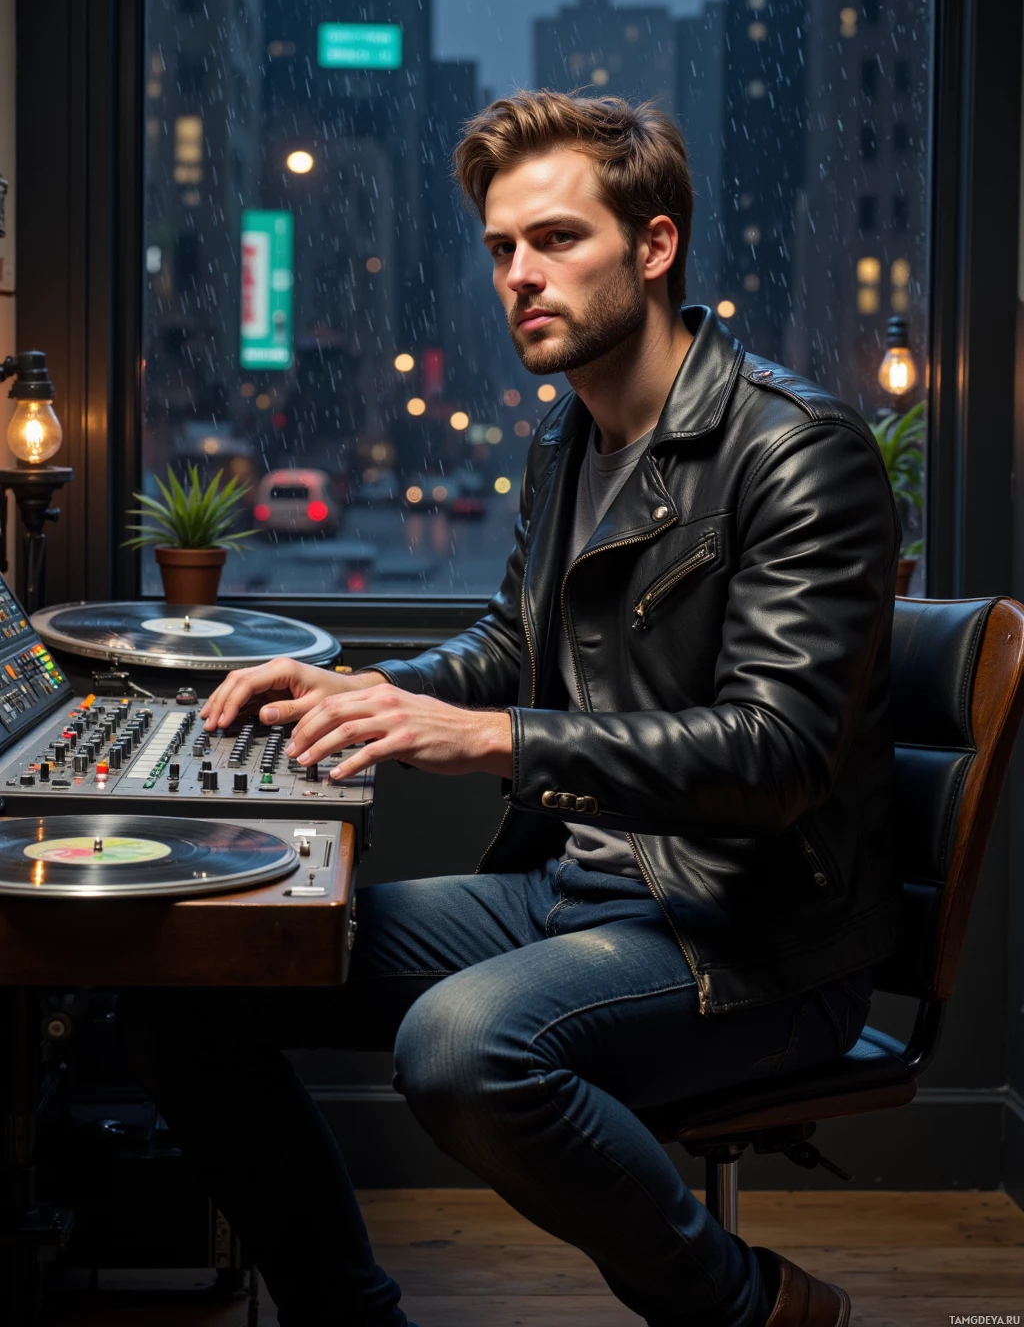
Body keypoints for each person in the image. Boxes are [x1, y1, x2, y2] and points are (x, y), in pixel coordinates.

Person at [121, 90, 905, 1327]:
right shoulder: (567, 440)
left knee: (457, 1046)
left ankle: (748, 1306)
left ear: (653, 247)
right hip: (582, 892)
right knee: (192, 984)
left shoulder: (798, 452)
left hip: (751, 936)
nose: (518, 276)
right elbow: (512, 643)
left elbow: (779, 753)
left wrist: (492, 739)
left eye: (556, 240)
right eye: (499, 249)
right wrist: (373, 693)